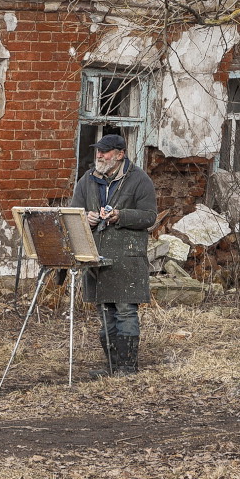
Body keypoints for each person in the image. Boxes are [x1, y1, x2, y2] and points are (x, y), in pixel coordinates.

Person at [70, 133, 157, 375]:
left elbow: (150, 217)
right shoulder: (87, 179)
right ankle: (111, 367)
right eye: (98, 150)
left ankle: (127, 367)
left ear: (120, 155)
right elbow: (74, 211)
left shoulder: (139, 180)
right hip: (97, 256)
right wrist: (85, 216)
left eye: (105, 151)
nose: (99, 155)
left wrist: (121, 215)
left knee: (126, 310)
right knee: (105, 310)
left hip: (127, 256)